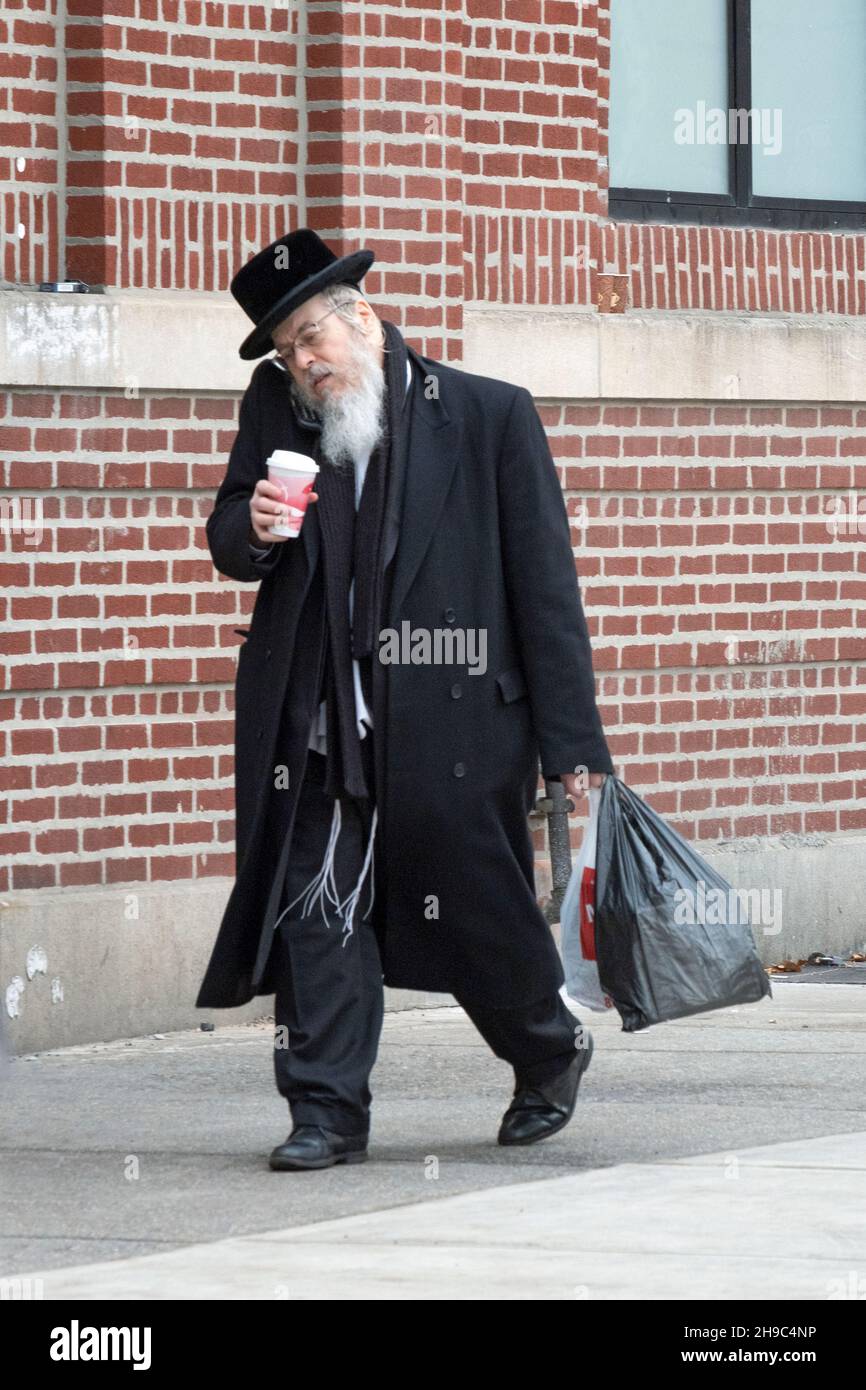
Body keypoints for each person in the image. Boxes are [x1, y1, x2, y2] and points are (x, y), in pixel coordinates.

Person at [196, 228, 614, 1170]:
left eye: (312, 336)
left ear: (365, 320)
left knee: (476, 917)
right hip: (315, 721)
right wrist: (254, 527)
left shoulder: (489, 415)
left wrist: (573, 749)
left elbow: (547, 593)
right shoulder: (276, 409)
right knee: (319, 910)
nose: (303, 362)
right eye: (286, 347)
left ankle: (549, 1048)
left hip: (455, 723)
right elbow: (229, 531)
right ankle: (326, 1111)